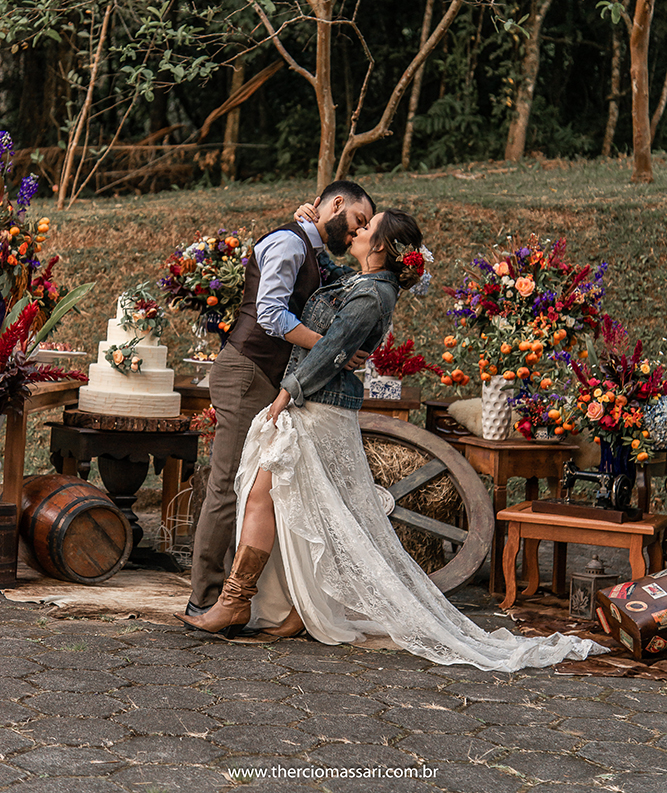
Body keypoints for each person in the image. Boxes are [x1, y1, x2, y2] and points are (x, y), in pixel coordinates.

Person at [177, 209, 606, 671]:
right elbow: (327, 276)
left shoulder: (372, 294)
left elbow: (330, 351)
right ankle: (288, 611)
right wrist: (308, 223)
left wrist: (287, 394)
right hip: (312, 404)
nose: (356, 231)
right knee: (282, 502)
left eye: (365, 227)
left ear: (380, 246)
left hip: (315, 407)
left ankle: (235, 602)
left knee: (263, 495)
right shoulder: (360, 280)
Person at [185, 180, 375, 620]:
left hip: (271, 380)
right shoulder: (289, 244)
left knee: (257, 487)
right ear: (337, 204)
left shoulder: (314, 250)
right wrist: (331, 348)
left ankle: (246, 599)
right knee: (228, 483)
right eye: (357, 222)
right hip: (245, 372)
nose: (356, 234)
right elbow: (270, 314)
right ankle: (205, 598)